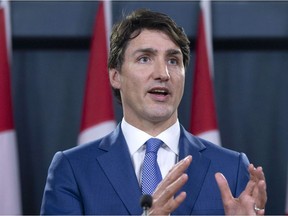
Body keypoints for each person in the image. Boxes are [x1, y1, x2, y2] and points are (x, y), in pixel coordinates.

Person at [40, 9, 267, 215]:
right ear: (115, 76)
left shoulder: (232, 168)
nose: (163, 73)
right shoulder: (72, 169)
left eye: (173, 60)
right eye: (145, 58)